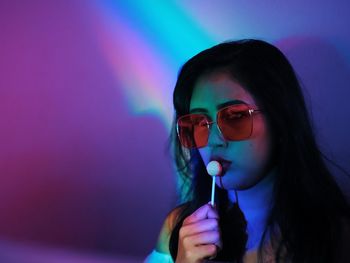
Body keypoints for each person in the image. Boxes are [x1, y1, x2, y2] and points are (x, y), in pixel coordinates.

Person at [144, 39, 350, 263]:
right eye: (200, 123)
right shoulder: (177, 229)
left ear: (280, 119)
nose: (214, 141)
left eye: (235, 116)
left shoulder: (336, 238)